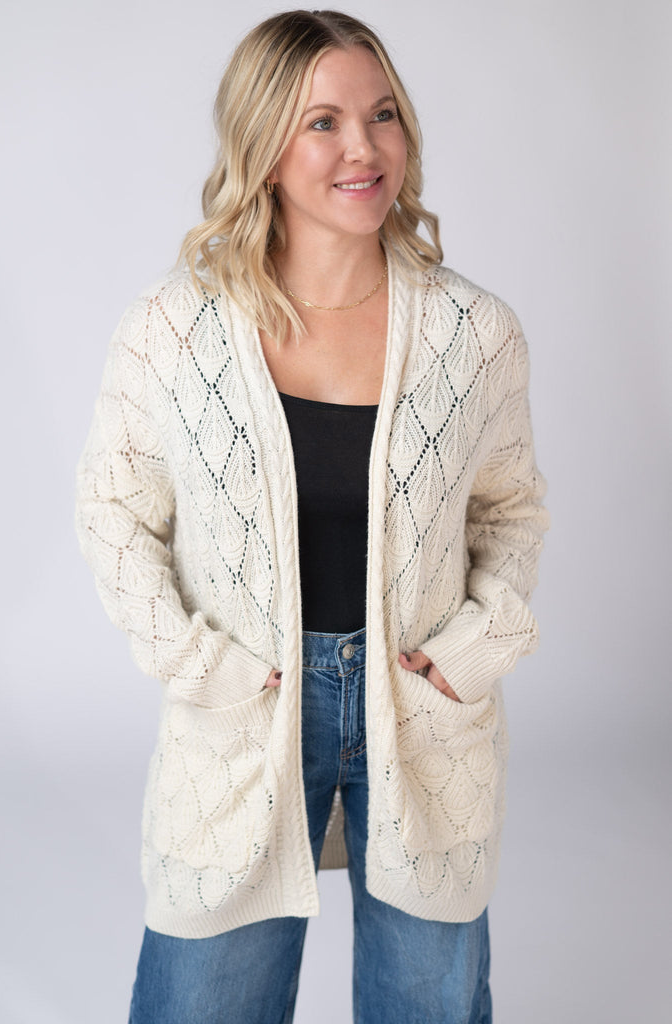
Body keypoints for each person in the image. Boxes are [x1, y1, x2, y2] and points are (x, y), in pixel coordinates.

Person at [76, 9, 548, 1023]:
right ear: (262, 144)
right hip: (248, 706)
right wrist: (200, 666)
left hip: (421, 706)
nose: (362, 148)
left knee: (427, 1001)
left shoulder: (474, 332)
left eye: (381, 114)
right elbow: (113, 514)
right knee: (202, 999)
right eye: (321, 122)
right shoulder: (174, 329)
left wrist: (469, 652)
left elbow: (510, 510)